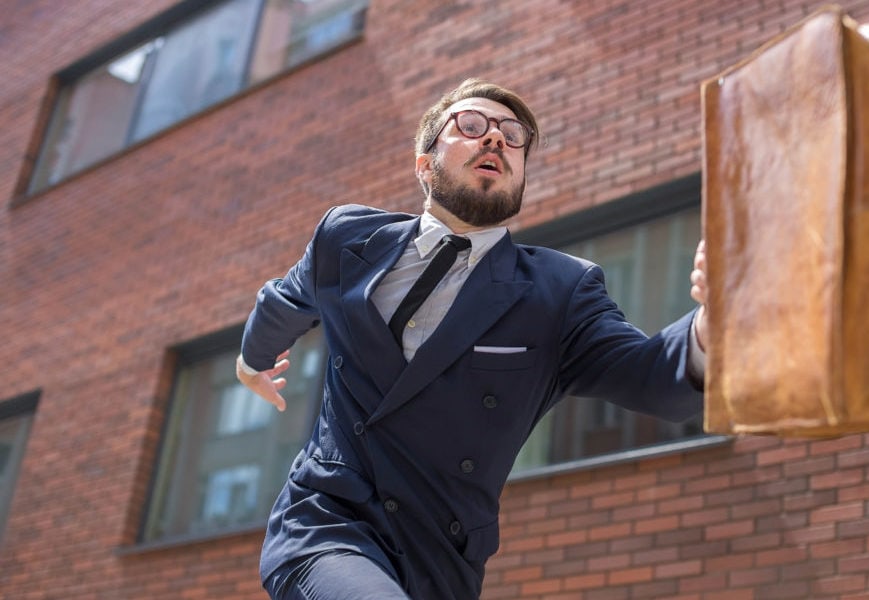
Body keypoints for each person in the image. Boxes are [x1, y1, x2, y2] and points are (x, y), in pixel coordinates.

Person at [237, 78, 710, 600]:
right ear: (424, 162)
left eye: (513, 135)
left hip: (442, 557)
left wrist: (714, 317)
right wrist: (250, 362)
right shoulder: (347, 238)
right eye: (471, 126)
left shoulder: (561, 291)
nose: (496, 140)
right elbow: (283, 302)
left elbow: (654, 376)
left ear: (522, 176)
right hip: (327, 525)